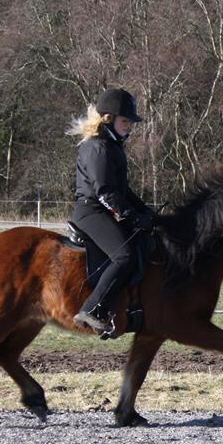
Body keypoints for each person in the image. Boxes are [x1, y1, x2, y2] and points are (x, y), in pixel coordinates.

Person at [67, 87, 156, 334]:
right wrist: (131, 216)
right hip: (91, 211)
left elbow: (124, 191)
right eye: (125, 121)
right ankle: (93, 309)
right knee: (124, 255)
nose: (129, 126)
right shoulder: (97, 147)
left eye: (130, 122)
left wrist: (148, 214)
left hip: (103, 209)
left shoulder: (112, 146)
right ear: (108, 119)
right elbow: (105, 192)